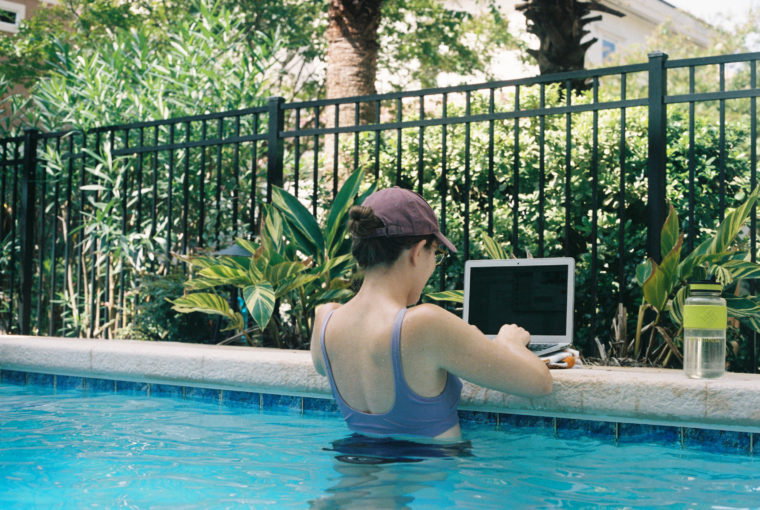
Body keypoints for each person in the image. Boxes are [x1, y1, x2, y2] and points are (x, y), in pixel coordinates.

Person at [310, 187, 552, 441]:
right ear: (418, 251)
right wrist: (508, 343)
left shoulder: (325, 320)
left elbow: (323, 366)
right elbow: (539, 384)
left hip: (352, 469)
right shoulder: (424, 324)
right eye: (436, 252)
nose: (434, 264)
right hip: (428, 475)